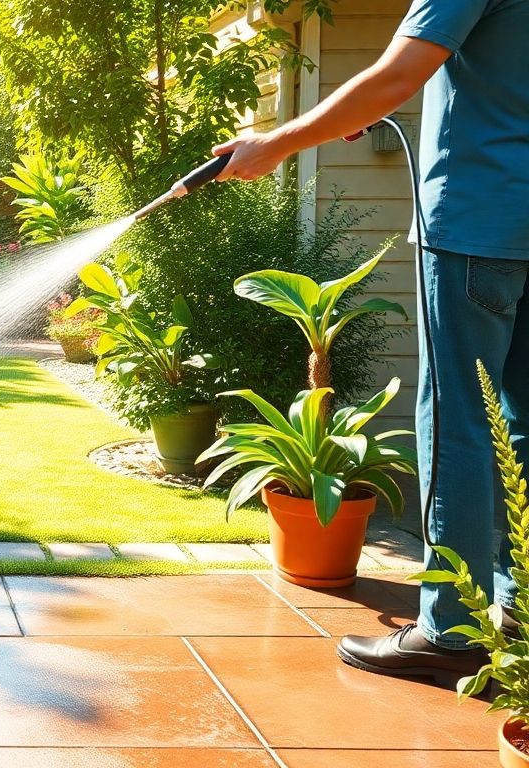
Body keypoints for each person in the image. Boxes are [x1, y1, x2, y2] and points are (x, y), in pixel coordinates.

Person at [214, 0, 528, 684]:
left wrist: (276, 143)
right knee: (524, 425)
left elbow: (399, 72)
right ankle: (517, 609)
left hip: (478, 226)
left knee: (460, 427)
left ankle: (451, 632)